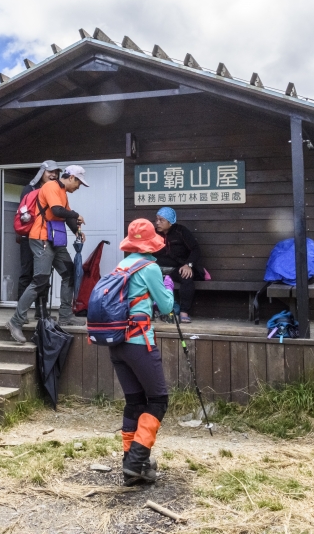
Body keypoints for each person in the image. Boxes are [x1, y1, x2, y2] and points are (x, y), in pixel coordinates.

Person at [110, 219, 174, 484]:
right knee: (158, 401)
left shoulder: (120, 265)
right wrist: (168, 287)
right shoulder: (150, 267)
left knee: (135, 402)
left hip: (116, 343)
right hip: (139, 343)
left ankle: (132, 464)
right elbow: (166, 306)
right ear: (150, 243)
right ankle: (136, 462)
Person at [8, 165, 88, 341]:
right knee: (40, 280)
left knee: (69, 273)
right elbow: (57, 211)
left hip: (55, 239)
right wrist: (76, 214)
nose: (78, 187)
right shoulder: (51, 187)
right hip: (41, 238)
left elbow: (65, 216)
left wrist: (76, 231)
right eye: (79, 183)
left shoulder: (63, 192)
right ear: (72, 178)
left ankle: (66, 316)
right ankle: (15, 321)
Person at [17, 160, 62, 317]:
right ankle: (21, 313)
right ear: (41, 172)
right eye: (50, 171)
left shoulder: (56, 189)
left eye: (56, 172)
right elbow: (22, 213)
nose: (54, 175)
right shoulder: (29, 189)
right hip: (28, 237)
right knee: (26, 273)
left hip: (46, 237)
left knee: (43, 274)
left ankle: (41, 311)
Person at [153, 206, 205, 324]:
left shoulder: (181, 231)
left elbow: (195, 249)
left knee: (187, 277)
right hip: (157, 269)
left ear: (170, 222)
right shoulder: (153, 234)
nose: (157, 223)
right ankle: (148, 311)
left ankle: (184, 312)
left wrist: (188, 265)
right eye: (157, 219)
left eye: (161, 220)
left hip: (176, 269)